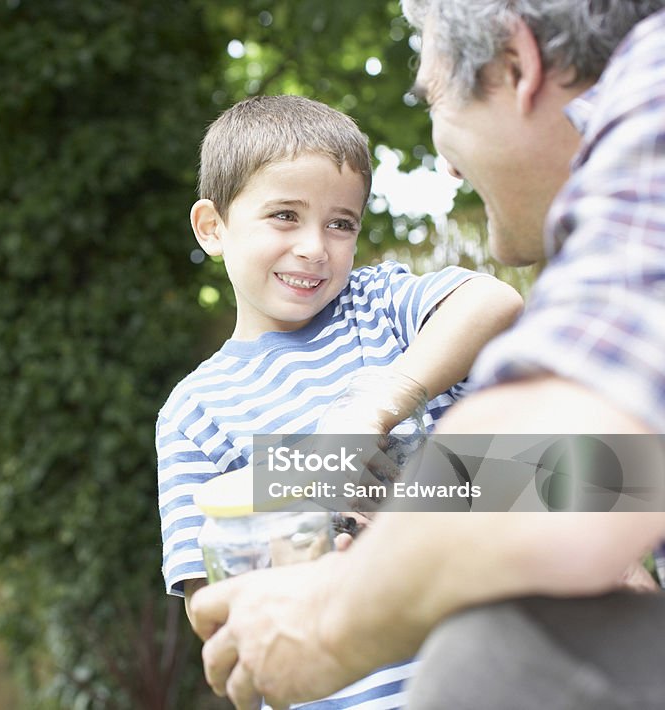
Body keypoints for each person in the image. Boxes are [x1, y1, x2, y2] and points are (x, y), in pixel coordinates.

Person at [189, 2, 665, 709]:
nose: (442, 161)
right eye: (283, 215)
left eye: (433, 98)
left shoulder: (653, 103)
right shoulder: (198, 409)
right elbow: (605, 475)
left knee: (494, 659)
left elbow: (585, 445)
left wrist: (330, 622)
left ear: (515, 65)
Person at [157, 94, 523, 708]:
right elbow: (211, 611)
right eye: (283, 216)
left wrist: (379, 405)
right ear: (212, 227)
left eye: (340, 222)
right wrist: (315, 524)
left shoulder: (376, 305)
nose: (314, 247)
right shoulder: (194, 411)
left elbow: (492, 303)